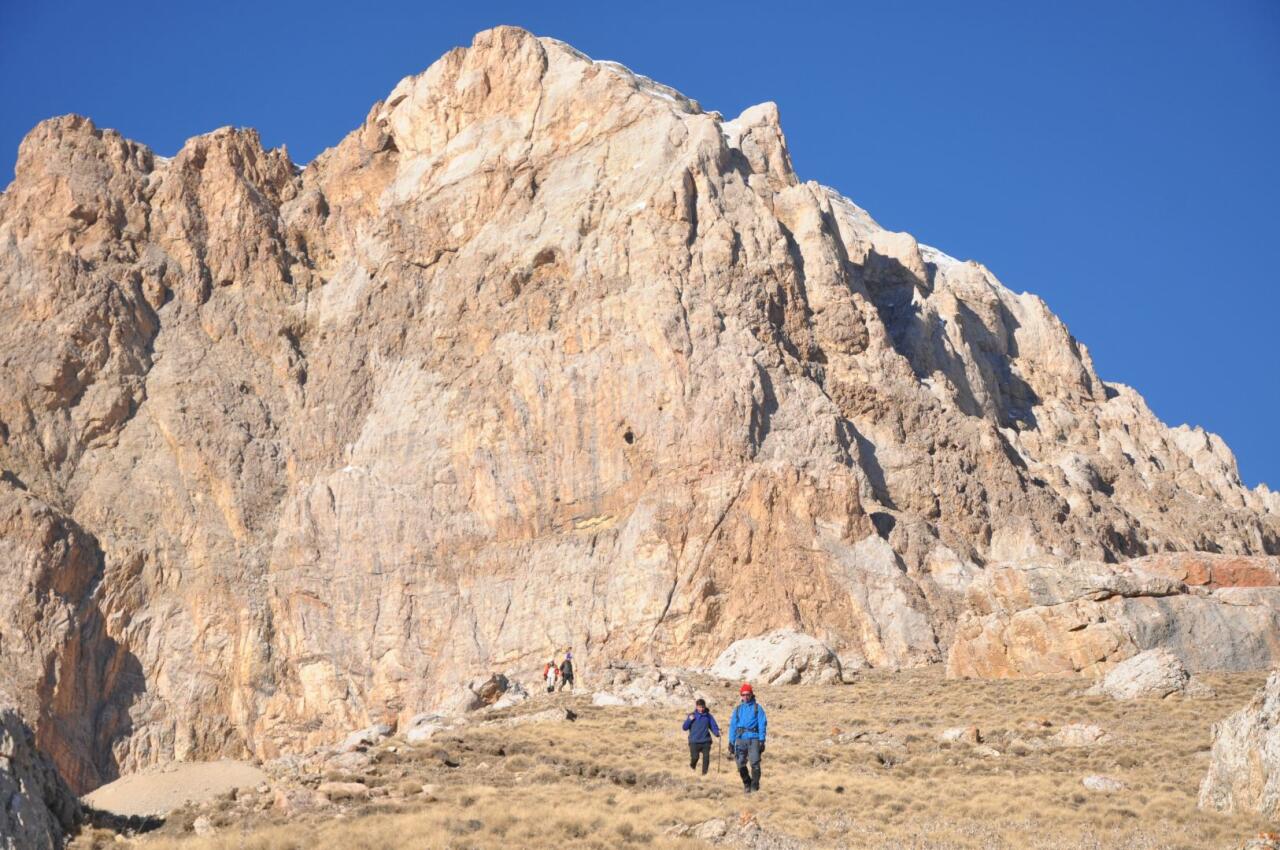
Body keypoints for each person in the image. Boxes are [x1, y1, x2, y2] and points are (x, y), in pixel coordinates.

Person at [728, 683, 767, 794]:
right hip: (740, 739)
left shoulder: (757, 708)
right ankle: (747, 782)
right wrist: (731, 742)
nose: (745, 697)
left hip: (754, 739)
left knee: (754, 762)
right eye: (743, 694)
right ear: (741, 695)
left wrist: (761, 740)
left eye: (748, 694)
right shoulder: (738, 709)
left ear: (751, 694)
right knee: (740, 762)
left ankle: (755, 786)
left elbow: (762, 724)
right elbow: (733, 725)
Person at [681, 698, 721, 775]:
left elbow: (713, 726)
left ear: (705, 706)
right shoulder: (692, 715)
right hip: (694, 741)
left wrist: (717, 733)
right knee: (695, 757)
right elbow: (684, 728)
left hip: (706, 741)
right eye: (700, 707)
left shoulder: (708, 716)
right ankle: (692, 767)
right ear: (696, 707)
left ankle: (704, 774)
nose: (701, 709)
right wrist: (689, 720)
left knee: (706, 758)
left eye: (703, 707)